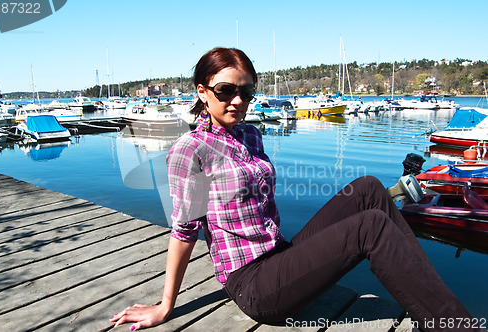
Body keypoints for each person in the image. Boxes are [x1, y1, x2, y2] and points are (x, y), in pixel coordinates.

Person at [110, 47, 480, 331]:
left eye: (247, 90)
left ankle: (428, 296)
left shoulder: (250, 135)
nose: (238, 100)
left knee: (368, 189)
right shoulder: (190, 150)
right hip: (254, 285)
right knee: (370, 227)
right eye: (226, 90)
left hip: (279, 255)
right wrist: (165, 305)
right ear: (203, 92)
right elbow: (185, 230)